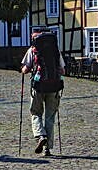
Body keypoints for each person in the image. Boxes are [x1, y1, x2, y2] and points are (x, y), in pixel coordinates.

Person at [21, 27, 65, 156]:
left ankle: (40, 135)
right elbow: (63, 71)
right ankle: (47, 149)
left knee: (35, 113)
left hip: (38, 86)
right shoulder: (55, 50)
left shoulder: (33, 50)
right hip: (54, 87)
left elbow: (25, 69)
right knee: (50, 117)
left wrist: (23, 69)